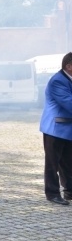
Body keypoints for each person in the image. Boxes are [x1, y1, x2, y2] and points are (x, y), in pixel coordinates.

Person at [39, 52, 72, 206]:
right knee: (53, 163)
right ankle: (52, 194)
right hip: (55, 128)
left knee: (68, 162)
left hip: (68, 128)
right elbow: (69, 103)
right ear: (69, 66)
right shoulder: (58, 81)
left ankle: (69, 191)